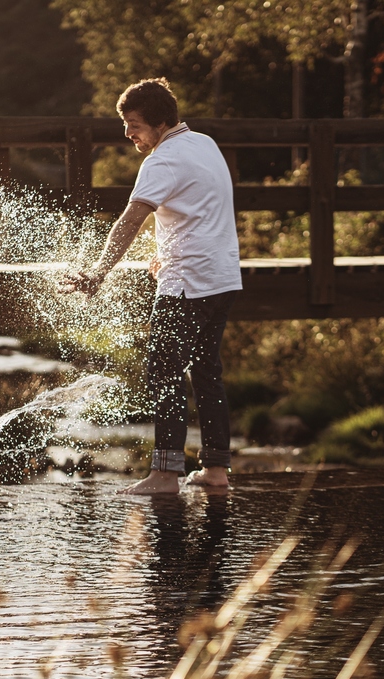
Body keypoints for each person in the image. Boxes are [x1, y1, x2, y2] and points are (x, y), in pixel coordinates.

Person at [62, 77, 242, 495]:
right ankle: (215, 470)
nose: (128, 133)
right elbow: (198, 210)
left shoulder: (161, 160)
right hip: (222, 278)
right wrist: (167, 252)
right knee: (207, 373)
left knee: (164, 372)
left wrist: (98, 272)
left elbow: (131, 219)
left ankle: (164, 476)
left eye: (135, 124)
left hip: (187, 285)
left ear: (161, 122)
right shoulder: (204, 144)